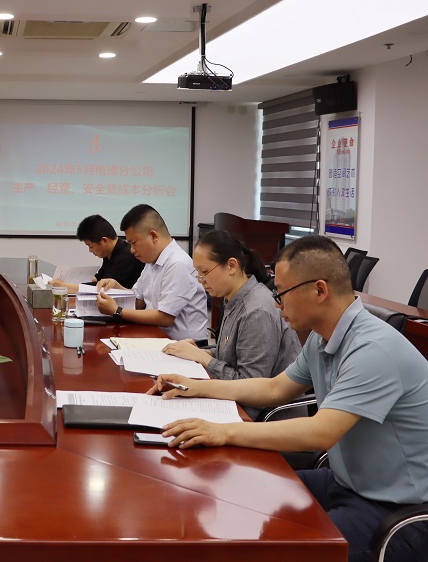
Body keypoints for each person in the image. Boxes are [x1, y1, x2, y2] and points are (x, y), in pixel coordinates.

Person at [154, 236, 428, 562]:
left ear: (319, 290)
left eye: (281, 293)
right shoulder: (321, 339)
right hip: (346, 483)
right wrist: (197, 387)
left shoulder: (373, 349)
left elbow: (320, 432)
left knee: (277, 547)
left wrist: (222, 431)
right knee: (239, 495)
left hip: (398, 511)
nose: (277, 304)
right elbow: (274, 389)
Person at [160, 229, 300, 418]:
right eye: (197, 273)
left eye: (205, 272)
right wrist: (202, 351)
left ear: (232, 266)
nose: (201, 281)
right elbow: (236, 352)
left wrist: (203, 358)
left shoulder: (256, 311)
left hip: (264, 417)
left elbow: (250, 386)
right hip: (237, 402)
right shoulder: (234, 298)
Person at [95, 204, 208, 340]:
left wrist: (117, 311)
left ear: (153, 236)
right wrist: (116, 286)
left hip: (185, 345)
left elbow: (165, 317)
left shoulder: (178, 264)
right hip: (157, 337)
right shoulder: (152, 261)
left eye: (134, 243)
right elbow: (138, 301)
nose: (131, 250)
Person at [50, 213, 143, 292]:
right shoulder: (110, 252)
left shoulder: (126, 256)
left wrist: (64, 286)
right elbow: (98, 279)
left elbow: (102, 288)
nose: (90, 251)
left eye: (90, 246)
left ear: (104, 241)